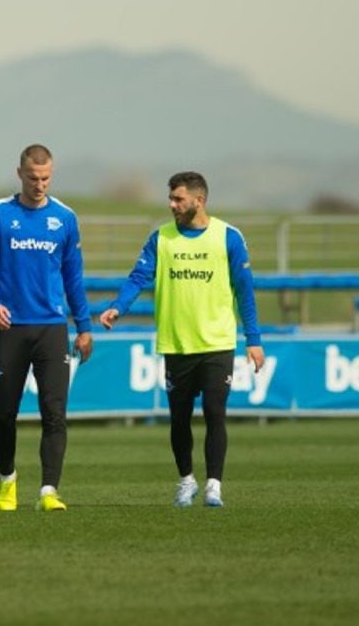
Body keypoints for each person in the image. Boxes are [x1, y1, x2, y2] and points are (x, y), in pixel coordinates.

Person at [98, 171, 265, 508]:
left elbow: (244, 291)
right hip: (177, 343)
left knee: (215, 411)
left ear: (198, 200)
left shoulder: (228, 237)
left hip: (217, 342)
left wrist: (254, 338)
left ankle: (214, 485)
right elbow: (138, 277)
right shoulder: (160, 239)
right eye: (171, 199)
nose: (172, 205)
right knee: (179, 417)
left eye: (178, 199)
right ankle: (186, 480)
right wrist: (118, 307)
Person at [0, 144, 93, 512]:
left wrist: (84, 325)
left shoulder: (65, 218)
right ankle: (7, 481)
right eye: (32, 177)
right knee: (4, 414)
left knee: (54, 413)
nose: (39, 184)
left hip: (52, 328)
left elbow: (73, 276)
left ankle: (48, 492)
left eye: (45, 178)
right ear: (19, 174)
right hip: (11, 328)